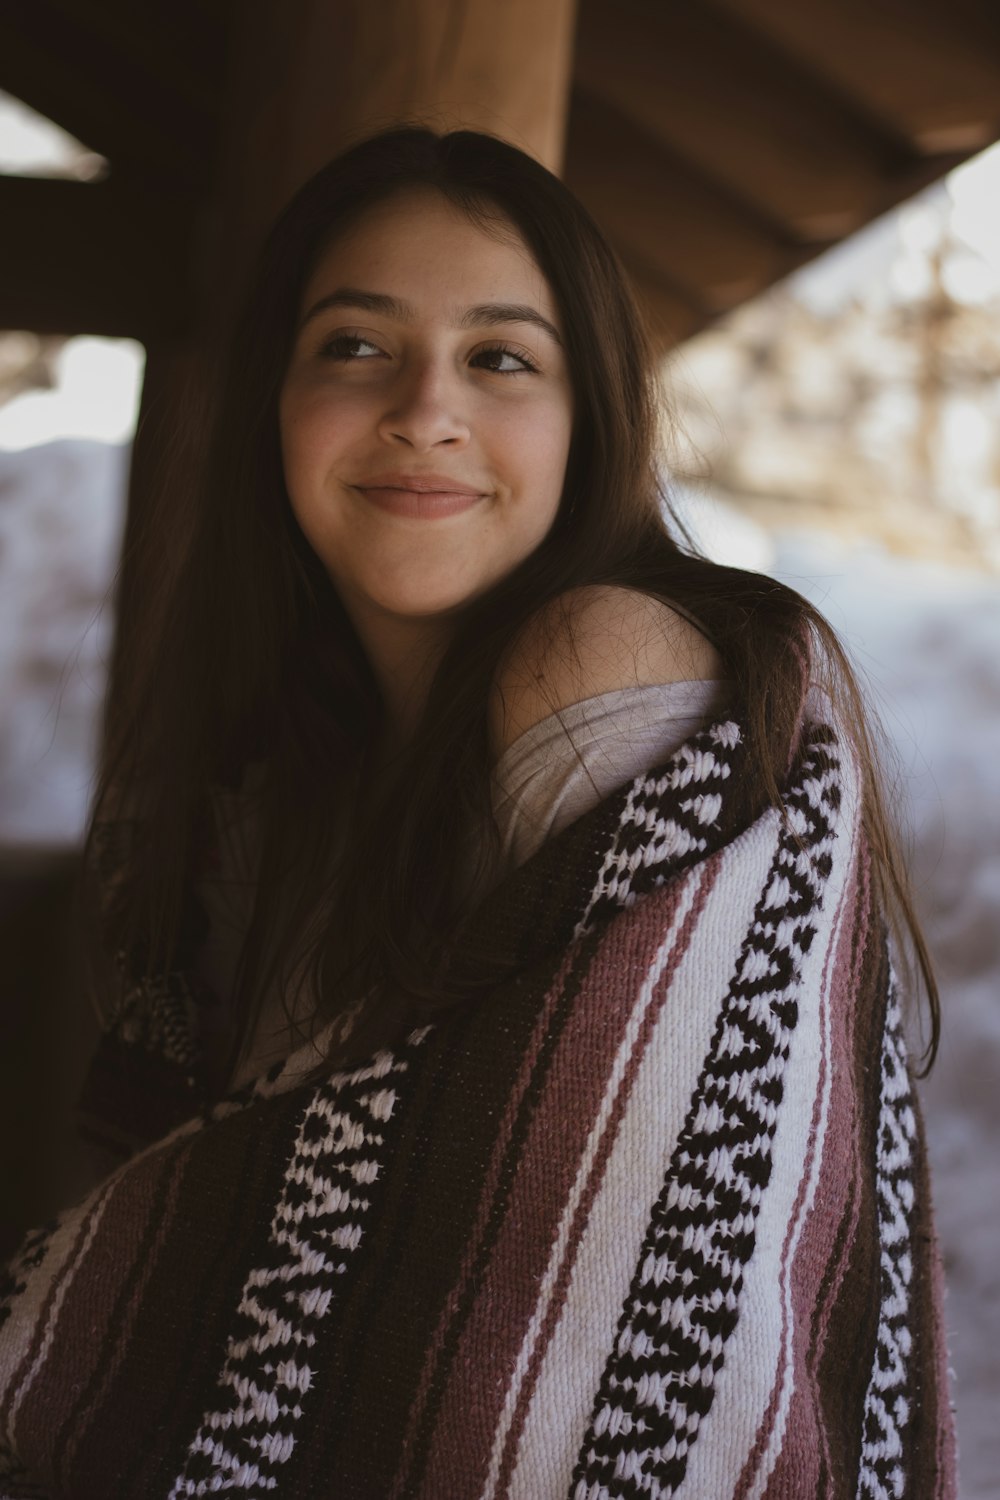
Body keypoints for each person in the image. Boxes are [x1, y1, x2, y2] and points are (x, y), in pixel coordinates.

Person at [0, 128, 955, 1499]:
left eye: (501, 359)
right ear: (274, 399)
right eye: (353, 347)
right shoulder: (254, 799)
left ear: (592, 417)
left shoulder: (614, 654)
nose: (424, 409)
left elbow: (577, 1305)